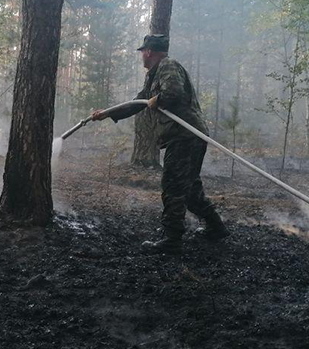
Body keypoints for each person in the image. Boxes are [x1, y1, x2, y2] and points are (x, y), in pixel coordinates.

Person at [91, 34, 229, 254]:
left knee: (173, 185)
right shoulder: (154, 76)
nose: (141, 57)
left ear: (148, 51)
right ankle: (216, 227)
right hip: (185, 136)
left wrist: (159, 100)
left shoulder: (168, 65)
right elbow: (137, 102)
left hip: (185, 135)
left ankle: (172, 239)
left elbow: (172, 92)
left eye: (142, 53)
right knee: (190, 187)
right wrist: (107, 114)